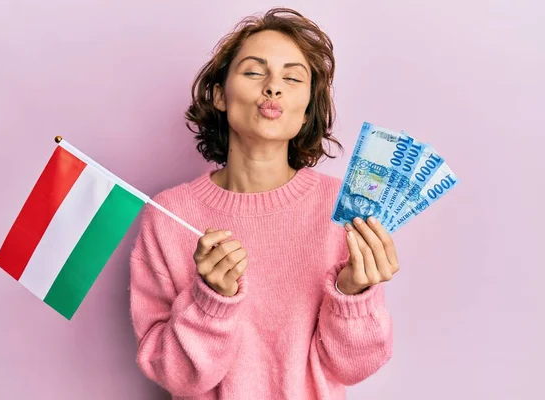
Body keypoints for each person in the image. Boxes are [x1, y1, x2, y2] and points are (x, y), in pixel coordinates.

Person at [129, 7, 400, 399]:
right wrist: (211, 301)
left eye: (292, 78)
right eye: (255, 72)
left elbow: (353, 367)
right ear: (220, 95)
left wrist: (353, 293)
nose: (273, 88)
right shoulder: (168, 215)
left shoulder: (344, 207)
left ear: (307, 107)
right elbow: (173, 375)